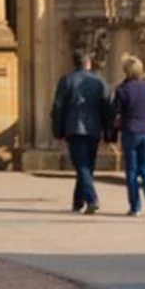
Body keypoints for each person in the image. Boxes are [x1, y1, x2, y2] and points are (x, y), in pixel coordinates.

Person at [51, 50, 111, 214]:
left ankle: (91, 199)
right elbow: (106, 108)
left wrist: (58, 132)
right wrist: (108, 133)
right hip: (94, 128)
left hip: (73, 128)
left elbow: (58, 107)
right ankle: (78, 202)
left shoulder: (67, 80)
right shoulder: (99, 81)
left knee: (82, 165)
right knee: (87, 165)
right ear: (88, 63)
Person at [112, 55, 145, 217]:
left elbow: (117, 116)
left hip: (131, 132)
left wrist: (113, 134)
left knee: (132, 171)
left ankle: (135, 207)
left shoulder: (122, 90)